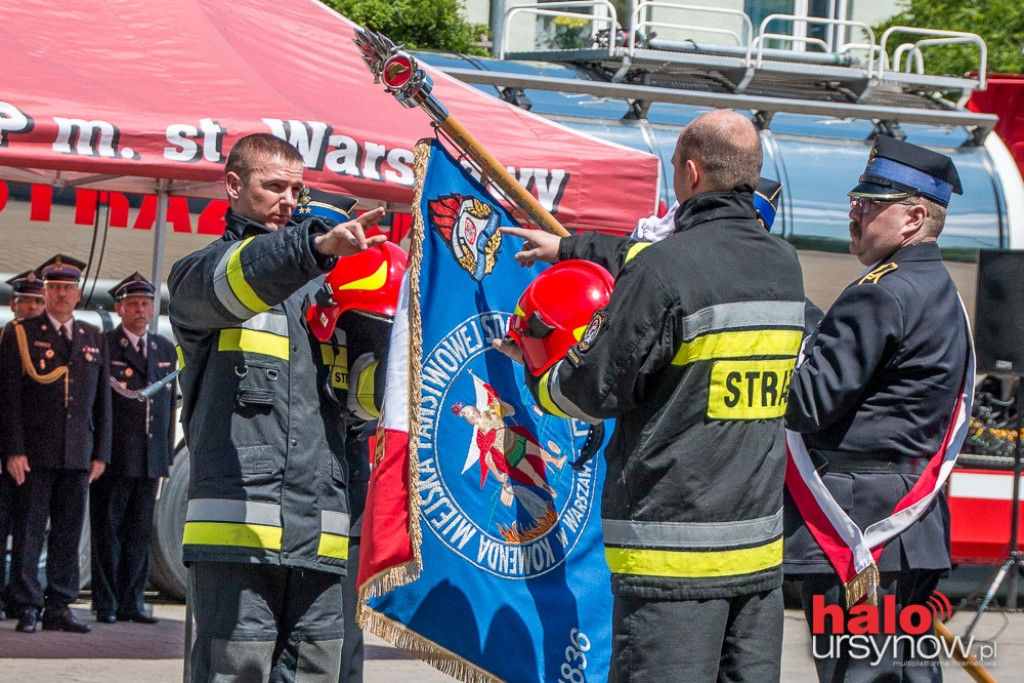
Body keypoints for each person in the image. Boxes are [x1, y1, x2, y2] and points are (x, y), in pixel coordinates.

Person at [497, 109, 807, 682]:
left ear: (690, 173)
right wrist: (570, 248)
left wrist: (539, 374)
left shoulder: (667, 268)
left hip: (673, 560)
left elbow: (594, 390)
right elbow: (659, 263)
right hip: (759, 557)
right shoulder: (783, 265)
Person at [168, 133, 386, 682]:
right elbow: (248, 276)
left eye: (296, 189)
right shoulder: (201, 275)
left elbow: (358, 409)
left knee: (316, 673)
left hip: (322, 532)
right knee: (233, 673)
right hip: (236, 538)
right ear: (234, 185)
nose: (288, 201)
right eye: (273, 186)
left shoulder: (326, 296)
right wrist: (313, 250)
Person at [783, 136, 970, 682]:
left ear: (914, 217)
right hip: (911, 526)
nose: (854, 209)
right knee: (907, 674)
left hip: (862, 531)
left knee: (859, 674)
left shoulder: (880, 292)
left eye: (871, 200)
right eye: (856, 197)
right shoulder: (937, 286)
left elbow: (807, 403)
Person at [0, 254, 111, 634]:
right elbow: (9, 398)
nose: (61, 295)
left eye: (67, 288)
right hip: (35, 453)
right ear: (45, 292)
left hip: (77, 452)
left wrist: (101, 452)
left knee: (67, 531)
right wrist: (13, 450)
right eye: (54, 288)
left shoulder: (93, 337)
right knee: (30, 530)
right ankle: (27, 603)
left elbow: (103, 402)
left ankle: (60, 604)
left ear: (78, 294)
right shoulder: (21, 333)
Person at [89, 272, 177, 625]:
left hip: (149, 457)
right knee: (108, 533)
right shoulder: (106, 346)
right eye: (134, 304)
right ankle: (106, 604)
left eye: (146, 303)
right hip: (115, 456)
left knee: (139, 534)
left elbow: (168, 408)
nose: (141, 310)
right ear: (120, 308)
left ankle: (132, 603)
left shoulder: (163, 347)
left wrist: (166, 455)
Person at [0, 269, 47, 620]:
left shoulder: (49, 344)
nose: (32, 307)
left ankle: (20, 598)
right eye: (26, 300)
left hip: (35, 457)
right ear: (14, 305)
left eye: (37, 301)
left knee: (27, 529)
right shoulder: (6, 340)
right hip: (6, 454)